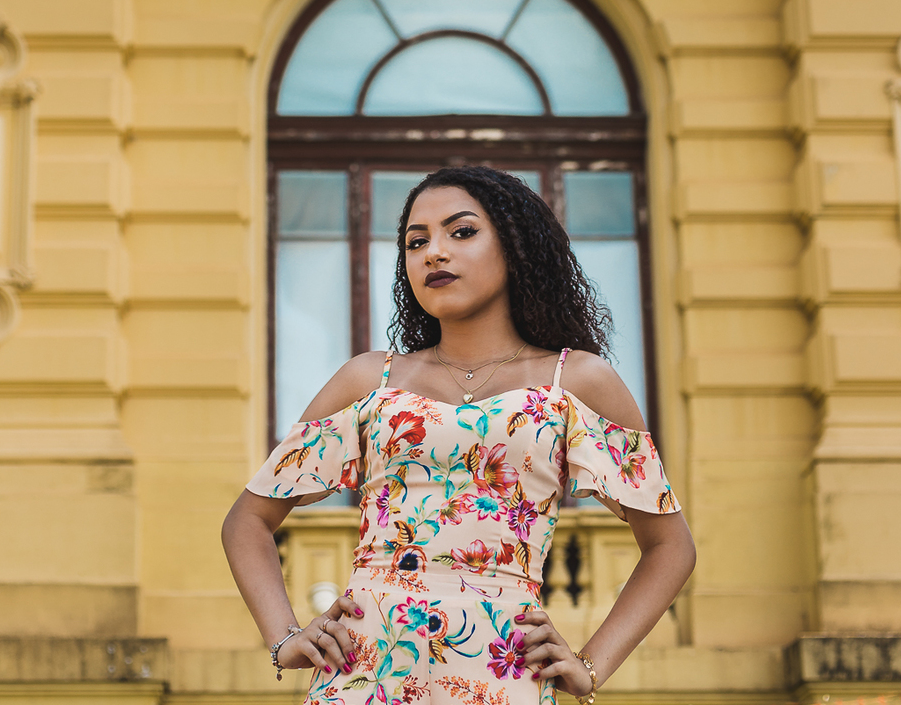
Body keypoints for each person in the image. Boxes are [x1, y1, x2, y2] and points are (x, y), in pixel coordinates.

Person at [222, 165, 695, 705]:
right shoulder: (368, 380)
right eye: (415, 242)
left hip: (498, 674)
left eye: (461, 232)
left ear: (516, 246)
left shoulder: (579, 382)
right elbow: (247, 521)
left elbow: (669, 547)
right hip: (361, 675)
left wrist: (591, 663)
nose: (434, 253)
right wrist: (284, 638)